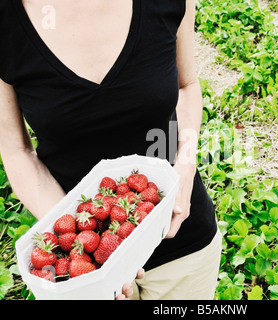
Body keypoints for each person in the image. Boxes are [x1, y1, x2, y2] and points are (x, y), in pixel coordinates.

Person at [0, 0, 221, 300]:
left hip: (182, 243)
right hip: (87, 274)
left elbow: (186, 86)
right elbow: (16, 150)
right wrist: (88, 253)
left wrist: (184, 166)